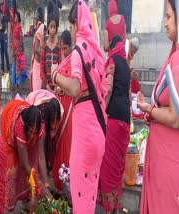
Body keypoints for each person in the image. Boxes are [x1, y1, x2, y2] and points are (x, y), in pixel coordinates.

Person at [137, 0, 179, 213]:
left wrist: (149, 110)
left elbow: (175, 118)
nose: (165, 23)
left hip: (171, 159)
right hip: (174, 156)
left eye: (168, 16)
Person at [51, 1, 107, 212]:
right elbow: (87, 88)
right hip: (98, 131)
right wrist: (66, 89)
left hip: (84, 131)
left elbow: (75, 87)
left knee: (79, 191)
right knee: (89, 192)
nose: (72, 31)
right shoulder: (95, 51)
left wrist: (56, 75)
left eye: (72, 25)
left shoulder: (78, 50)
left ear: (76, 24)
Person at [97, 35, 131, 213]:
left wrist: (103, 109)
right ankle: (115, 206)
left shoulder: (112, 60)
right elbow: (128, 92)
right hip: (125, 117)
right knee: (118, 162)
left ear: (111, 46)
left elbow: (108, 88)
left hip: (113, 116)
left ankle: (109, 208)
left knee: (109, 163)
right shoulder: (126, 64)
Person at [0, 100, 50, 212]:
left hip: (26, 135)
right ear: (26, 126)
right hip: (9, 134)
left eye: (35, 132)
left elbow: (41, 156)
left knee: (34, 164)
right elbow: (25, 164)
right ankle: (10, 205)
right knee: (13, 169)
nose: (32, 135)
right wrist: (38, 183)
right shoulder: (19, 126)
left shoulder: (41, 128)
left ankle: (28, 199)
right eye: (30, 131)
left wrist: (45, 183)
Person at [51, 30, 74, 191]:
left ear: (71, 47)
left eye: (66, 48)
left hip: (71, 109)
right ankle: (58, 181)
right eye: (61, 49)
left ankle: (68, 182)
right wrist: (58, 89)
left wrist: (63, 90)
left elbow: (75, 87)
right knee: (58, 140)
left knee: (68, 142)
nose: (63, 52)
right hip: (61, 107)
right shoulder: (62, 63)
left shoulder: (75, 63)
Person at [26, 89, 63, 177]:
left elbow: (53, 130)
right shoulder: (39, 111)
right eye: (52, 121)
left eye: (56, 121)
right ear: (48, 117)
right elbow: (40, 154)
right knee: (37, 149)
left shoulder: (59, 111)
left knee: (47, 145)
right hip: (35, 113)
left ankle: (44, 170)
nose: (54, 125)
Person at [40, 3, 61, 91]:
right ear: (48, 28)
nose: (52, 29)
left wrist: (58, 85)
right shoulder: (44, 46)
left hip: (57, 86)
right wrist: (46, 85)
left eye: (54, 27)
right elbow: (42, 69)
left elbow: (60, 66)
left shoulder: (58, 47)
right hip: (46, 86)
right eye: (51, 27)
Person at [10, 11, 23, 91]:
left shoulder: (19, 26)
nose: (14, 18)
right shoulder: (13, 26)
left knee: (18, 67)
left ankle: (17, 84)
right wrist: (12, 48)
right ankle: (14, 84)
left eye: (15, 16)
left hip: (18, 48)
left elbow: (21, 39)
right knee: (13, 67)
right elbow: (11, 37)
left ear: (18, 17)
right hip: (13, 48)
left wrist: (17, 49)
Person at [0, 0, 10, 74]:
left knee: (5, 51)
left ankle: (8, 68)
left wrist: (4, 17)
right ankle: (2, 69)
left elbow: (9, 19)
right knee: (1, 51)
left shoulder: (7, 7)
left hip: (5, 32)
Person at [30, 23, 45, 91]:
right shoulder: (37, 36)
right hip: (36, 65)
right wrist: (43, 55)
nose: (45, 34)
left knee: (40, 87)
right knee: (36, 87)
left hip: (41, 65)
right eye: (44, 32)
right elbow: (36, 49)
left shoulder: (42, 39)